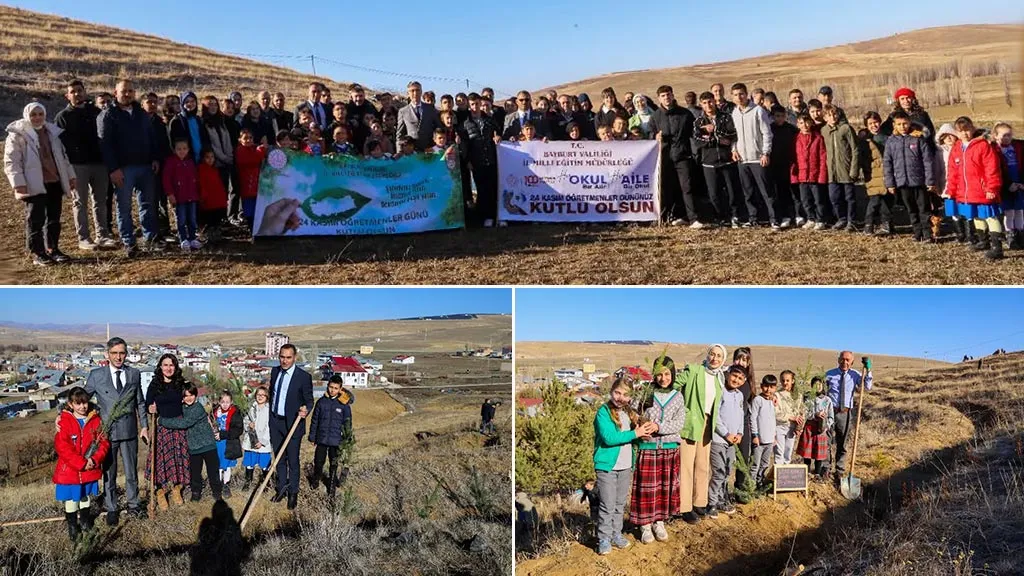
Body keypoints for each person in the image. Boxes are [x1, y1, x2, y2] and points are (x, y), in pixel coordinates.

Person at [84, 337, 148, 525]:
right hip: (107, 433)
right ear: (107, 354)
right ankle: (111, 507)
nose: (118, 357)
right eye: (114, 353)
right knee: (108, 473)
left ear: (126, 354)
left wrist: (144, 426)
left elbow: (140, 402)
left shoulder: (134, 374)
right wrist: (64, 414)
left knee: (131, 472)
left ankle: (134, 504)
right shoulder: (96, 375)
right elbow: (83, 399)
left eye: (121, 353)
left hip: (129, 431)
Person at [5, 102, 77, 266]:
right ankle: (37, 253)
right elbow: (12, 162)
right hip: (33, 183)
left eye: (40, 114)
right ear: (27, 115)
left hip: (54, 181)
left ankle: (53, 249)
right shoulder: (17, 135)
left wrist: (71, 176)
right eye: (33, 115)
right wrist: (18, 183)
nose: (37, 118)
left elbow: (63, 157)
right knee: (35, 219)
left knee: (54, 219)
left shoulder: (52, 132)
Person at [97, 79, 162, 256]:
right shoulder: (108, 114)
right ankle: (129, 242)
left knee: (148, 204)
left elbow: (151, 137)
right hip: (123, 169)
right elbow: (105, 145)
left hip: (146, 167)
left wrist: (155, 158)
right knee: (124, 207)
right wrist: (113, 169)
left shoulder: (141, 113)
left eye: (131, 91)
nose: (127, 94)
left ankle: (150, 239)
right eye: (124, 91)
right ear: (115, 93)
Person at [593, 377, 657, 555]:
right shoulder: (603, 412)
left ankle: (616, 534)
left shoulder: (629, 413)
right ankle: (604, 538)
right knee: (607, 504)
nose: (620, 397)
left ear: (630, 397)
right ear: (611, 392)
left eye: (625, 394)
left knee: (619, 503)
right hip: (607, 466)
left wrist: (643, 435)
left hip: (625, 465)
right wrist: (635, 433)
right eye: (617, 392)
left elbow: (632, 437)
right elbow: (609, 438)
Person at [629, 356, 686, 544]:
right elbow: (633, 413)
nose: (663, 378)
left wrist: (658, 426)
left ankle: (659, 521)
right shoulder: (646, 392)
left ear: (673, 374)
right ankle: (645, 524)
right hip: (648, 447)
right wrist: (639, 425)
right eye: (659, 374)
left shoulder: (677, 396)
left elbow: (679, 423)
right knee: (647, 488)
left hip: (669, 448)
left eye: (667, 374)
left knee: (663, 487)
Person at [55, 80, 113, 250]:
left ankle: (103, 235)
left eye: (80, 90)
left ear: (85, 92)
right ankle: (84, 238)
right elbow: (59, 145)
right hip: (77, 165)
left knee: (101, 201)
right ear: (67, 96)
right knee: (80, 202)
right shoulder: (62, 117)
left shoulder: (96, 112)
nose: (77, 94)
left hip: (99, 163)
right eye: (73, 91)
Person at [673, 344, 726, 524]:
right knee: (686, 465)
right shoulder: (694, 370)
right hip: (690, 422)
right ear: (707, 355)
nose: (714, 358)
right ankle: (685, 507)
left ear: (722, 360)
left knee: (703, 465)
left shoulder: (719, 378)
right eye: (712, 354)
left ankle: (699, 502)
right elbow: (675, 385)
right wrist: (682, 410)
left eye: (719, 356)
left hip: (707, 424)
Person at [53, 386, 108, 542]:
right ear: (70, 404)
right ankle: (72, 526)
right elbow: (62, 447)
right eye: (78, 403)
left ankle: (85, 523)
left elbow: (103, 443)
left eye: (84, 402)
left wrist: (94, 460)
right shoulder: (64, 421)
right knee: (71, 498)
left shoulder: (95, 419)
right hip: (70, 469)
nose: (82, 406)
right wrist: (81, 463)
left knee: (84, 496)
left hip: (89, 468)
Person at [947, 117, 1005, 259]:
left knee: (990, 216)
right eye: (961, 131)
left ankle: (997, 247)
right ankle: (983, 241)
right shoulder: (956, 148)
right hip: (967, 192)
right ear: (956, 133)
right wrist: (951, 190)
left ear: (972, 129)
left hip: (983, 190)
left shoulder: (983, 145)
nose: (964, 134)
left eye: (967, 130)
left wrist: (991, 188)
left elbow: (992, 168)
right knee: (976, 216)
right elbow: (952, 171)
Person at [268, 344, 313, 510]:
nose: (284, 361)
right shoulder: (275, 372)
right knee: (279, 458)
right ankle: (281, 489)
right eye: (282, 357)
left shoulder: (303, 377)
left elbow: (309, 400)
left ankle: (293, 492)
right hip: (276, 422)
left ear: (295, 358)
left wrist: (306, 410)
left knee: (293, 460)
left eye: (288, 357)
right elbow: (272, 394)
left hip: (293, 423)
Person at [159, 385, 223, 502]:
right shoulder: (182, 408)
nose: (189, 398)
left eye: (191, 395)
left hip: (207, 445)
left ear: (195, 395)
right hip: (193, 447)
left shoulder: (198, 408)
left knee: (212, 471)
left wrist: (162, 421)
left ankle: (217, 492)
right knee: (195, 473)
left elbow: (184, 423)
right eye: (186, 396)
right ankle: (196, 493)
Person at [144, 353, 191, 510]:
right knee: (161, 460)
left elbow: (189, 399)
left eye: (171, 365)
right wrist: (150, 408)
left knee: (179, 458)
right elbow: (147, 404)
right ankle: (160, 491)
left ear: (176, 367)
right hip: (162, 426)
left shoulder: (181, 383)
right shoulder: (155, 384)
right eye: (165, 365)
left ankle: (177, 488)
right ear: (160, 367)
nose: (168, 368)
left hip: (179, 425)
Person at [730, 83, 779, 229]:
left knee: (766, 191)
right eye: (736, 95)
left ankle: (774, 219)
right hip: (742, 159)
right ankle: (753, 218)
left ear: (747, 94)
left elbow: (767, 133)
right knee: (748, 192)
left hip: (758, 158)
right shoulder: (734, 113)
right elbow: (734, 135)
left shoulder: (758, 111)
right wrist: (734, 149)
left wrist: (765, 153)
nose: (739, 97)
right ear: (732, 97)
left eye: (741, 94)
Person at [884, 110, 936, 242]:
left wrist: (930, 181)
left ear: (909, 123)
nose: (902, 127)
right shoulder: (891, 141)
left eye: (905, 123)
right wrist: (890, 183)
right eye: (899, 124)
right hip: (902, 182)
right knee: (911, 209)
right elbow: (887, 163)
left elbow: (927, 161)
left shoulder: (918, 138)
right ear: (894, 125)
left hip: (919, 181)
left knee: (924, 208)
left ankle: (927, 233)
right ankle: (917, 232)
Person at [652, 85, 699, 227]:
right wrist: (655, 137)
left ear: (672, 95)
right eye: (663, 96)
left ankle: (693, 218)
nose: (666, 97)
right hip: (665, 157)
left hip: (682, 156)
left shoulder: (685, 114)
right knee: (665, 188)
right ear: (659, 98)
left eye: (668, 94)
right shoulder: (655, 116)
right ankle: (665, 217)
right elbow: (650, 135)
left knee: (687, 187)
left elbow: (694, 133)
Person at [693, 91, 741, 227]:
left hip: (727, 160)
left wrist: (714, 132)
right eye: (705, 103)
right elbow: (697, 140)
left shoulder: (726, 117)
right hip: (709, 163)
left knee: (732, 191)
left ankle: (735, 216)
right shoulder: (698, 121)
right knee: (714, 193)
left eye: (710, 102)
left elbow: (732, 134)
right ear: (701, 105)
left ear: (714, 101)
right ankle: (720, 218)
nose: (708, 105)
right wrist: (717, 139)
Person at [825, 352, 873, 483]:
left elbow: (867, 387)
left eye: (847, 360)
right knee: (826, 442)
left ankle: (839, 470)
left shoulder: (855, 375)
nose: (844, 362)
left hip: (845, 413)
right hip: (829, 412)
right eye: (842, 359)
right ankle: (826, 469)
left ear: (852, 362)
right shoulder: (829, 374)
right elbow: (822, 393)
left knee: (842, 443)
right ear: (838, 360)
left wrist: (868, 370)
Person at [708, 365, 746, 518]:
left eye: (740, 378)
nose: (736, 380)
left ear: (743, 381)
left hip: (732, 442)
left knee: (727, 472)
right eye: (734, 376)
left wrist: (740, 433)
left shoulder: (740, 395)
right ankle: (711, 503)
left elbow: (741, 416)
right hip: (718, 440)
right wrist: (726, 434)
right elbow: (715, 416)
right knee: (718, 472)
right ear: (728, 374)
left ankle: (721, 500)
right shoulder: (720, 391)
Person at [307, 375, 353, 500]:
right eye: (331, 387)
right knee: (318, 462)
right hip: (322, 439)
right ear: (327, 386)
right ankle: (315, 482)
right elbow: (315, 420)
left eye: (336, 388)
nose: (332, 390)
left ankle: (331, 488)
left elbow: (348, 424)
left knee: (334, 464)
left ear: (340, 389)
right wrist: (312, 437)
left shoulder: (344, 405)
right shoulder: (321, 402)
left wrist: (346, 440)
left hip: (336, 441)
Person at [822, 104, 861, 232]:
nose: (832, 117)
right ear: (825, 117)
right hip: (832, 172)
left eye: (834, 114)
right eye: (829, 115)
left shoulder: (846, 128)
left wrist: (854, 169)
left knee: (849, 198)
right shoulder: (824, 131)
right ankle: (841, 218)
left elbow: (855, 149)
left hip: (846, 169)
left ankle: (851, 221)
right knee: (834, 197)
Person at [935, 123, 974, 244]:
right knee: (953, 210)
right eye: (945, 136)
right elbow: (937, 170)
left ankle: (970, 234)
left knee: (966, 208)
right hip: (947, 185)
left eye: (951, 135)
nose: (948, 138)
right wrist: (938, 185)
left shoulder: (962, 148)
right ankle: (959, 233)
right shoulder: (939, 152)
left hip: (963, 185)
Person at [162, 139, 202, 251]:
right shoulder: (171, 162)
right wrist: (170, 194)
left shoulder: (190, 162)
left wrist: (198, 192)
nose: (182, 151)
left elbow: (196, 179)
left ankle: (192, 238)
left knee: (192, 219)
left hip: (192, 196)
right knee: (181, 219)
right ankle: (183, 238)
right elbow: (166, 179)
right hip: (179, 197)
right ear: (174, 150)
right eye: (179, 149)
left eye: (184, 149)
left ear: (188, 150)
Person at [792, 113, 829, 230]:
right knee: (805, 200)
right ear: (798, 125)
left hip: (815, 174)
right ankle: (810, 218)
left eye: (807, 122)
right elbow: (794, 158)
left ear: (811, 123)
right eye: (801, 123)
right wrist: (794, 174)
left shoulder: (818, 138)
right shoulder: (796, 139)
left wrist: (822, 175)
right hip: (802, 175)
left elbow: (822, 157)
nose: (805, 125)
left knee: (818, 199)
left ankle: (820, 220)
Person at [862, 112, 895, 236]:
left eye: (875, 122)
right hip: (873, 175)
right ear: (866, 125)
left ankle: (887, 224)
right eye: (870, 123)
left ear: (880, 122)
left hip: (887, 173)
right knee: (874, 201)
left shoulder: (887, 138)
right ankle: (869, 224)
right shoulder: (865, 140)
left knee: (887, 200)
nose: (873, 125)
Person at [796, 376, 834, 481]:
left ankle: (817, 473)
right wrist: (815, 414)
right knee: (807, 452)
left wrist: (826, 426)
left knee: (819, 453)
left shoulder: (827, 400)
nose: (817, 387)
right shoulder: (808, 398)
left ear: (823, 386)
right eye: (815, 384)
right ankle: (807, 472)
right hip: (809, 427)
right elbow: (805, 412)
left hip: (821, 429)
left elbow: (831, 417)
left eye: (820, 384)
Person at [770, 104, 801, 228]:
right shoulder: (770, 129)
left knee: (795, 192)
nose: (780, 119)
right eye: (777, 116)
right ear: (773, 117)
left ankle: (798, 215)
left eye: (782, 116)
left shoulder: (791, 129)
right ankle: (785, 216)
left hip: (791, 164)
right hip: (776, 165)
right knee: (781, 192)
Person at [994, 123, 1024, 249]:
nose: (1007, 138)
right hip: (1006, 186)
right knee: (1009, 212)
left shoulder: (1018, 147)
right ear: (996, 136)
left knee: (1020, 211)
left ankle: (1020, 234)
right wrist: (1008, 184)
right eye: (1004, 135)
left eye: (1009, 135)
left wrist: (1022, 183)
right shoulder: (995, 150)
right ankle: (1010, 235)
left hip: (1019, 183)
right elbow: (997, 170)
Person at [212, 391, 243, 498]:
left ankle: (226, 484)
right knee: (218, 465)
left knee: (227, 465)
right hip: (217, 443)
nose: (225, 404)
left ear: (231, 402)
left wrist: (222, 434)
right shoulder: (214, 413)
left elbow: (238, 430)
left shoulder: (235, 413)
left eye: (227, 402)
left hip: (229, 443)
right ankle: (218, 485)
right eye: (222, 402)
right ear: (219, 402)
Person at [749, 375, 777, 489]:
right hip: (759, 441)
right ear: (761, 386)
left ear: (775, 388)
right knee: (755, 465)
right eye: (766, 386)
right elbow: (753, 418)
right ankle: (751, 487)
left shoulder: (772, 401)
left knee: (765, 464)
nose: (768, 389)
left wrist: (774, 436)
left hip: (769, 440)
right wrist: (755, 435)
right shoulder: (758, 400)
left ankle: (759, 483)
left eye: (771, 387)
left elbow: (773, 419)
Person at [398, 81, 443, 151]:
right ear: (408, 93)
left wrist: (437, 147)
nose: (415, 93)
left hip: (429, 149)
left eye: (417, 90)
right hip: (411, 151)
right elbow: (400, 134)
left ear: (421, 92)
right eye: (412, 91)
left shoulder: (430, 108)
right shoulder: (403, 111)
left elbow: (439, 129)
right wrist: (400, 152)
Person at [242, 386, 272, 490]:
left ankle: (266, 483)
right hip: (251, 440)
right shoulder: (251, 408)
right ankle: (248, 481)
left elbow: (269, 427)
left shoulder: (269, 410)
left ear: (267, 397)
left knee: (264, 463)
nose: (260, 397)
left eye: (263, 395)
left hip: (263, 443)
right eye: (258, 394)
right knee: (250, 462)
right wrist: (248, 425)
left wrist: (262, 441)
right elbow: (245, 420)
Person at [235, 129, 266, 227]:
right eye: (245, 138)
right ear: (240, 140)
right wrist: (260, 151)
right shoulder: (240, 150)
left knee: (257, 208)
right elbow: (251, 160)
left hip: (257, 184)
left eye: (250, 138)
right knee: (249, 209)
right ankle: (251, 227)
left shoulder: (254, 149)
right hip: (246, 185)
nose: (248, 140)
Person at [169, 91, 209, 165]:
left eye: (192, 101)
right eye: (187, 102)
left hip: (202, 160)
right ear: (182, 104)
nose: (190, 104)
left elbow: (205, 139)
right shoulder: (176, 121)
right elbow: (173, 143)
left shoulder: (199, 120)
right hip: (186, 161)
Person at [197, 148, 228, 242]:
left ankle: (216, 234)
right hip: (208, 200)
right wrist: (203, 196)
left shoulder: (215, 169)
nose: (210, 159)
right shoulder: (201, 169)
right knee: (209, 220)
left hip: (217, 200)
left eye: (212, 157)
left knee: (217, 219)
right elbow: (201, 183)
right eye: (207, 157)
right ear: (203, 158)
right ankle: (209, 235)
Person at [774, 370, 802, 466]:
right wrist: (790, 417)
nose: (785, 383)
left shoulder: (798, 396)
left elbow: (800, 411)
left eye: (787, 380)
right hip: (780, 427)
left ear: (792, 381)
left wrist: (799, 427)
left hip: (792, 428)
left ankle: (786, 472)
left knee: (788, 452)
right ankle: (778, 472)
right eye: (783, 380)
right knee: (779, 452)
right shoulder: (777, 395)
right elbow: (776, 413)